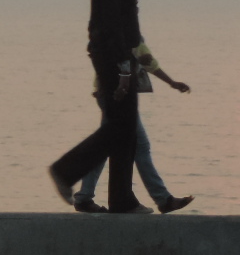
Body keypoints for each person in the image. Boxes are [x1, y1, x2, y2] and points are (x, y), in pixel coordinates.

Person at [49, 0, 149, 213]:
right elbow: (111, 30)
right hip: (115, 64)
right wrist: (124, 73)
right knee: (119, 127)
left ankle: (121, 200)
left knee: (125, 131)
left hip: (120, 61)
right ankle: (65, 170)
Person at [75, 41, 197, 214]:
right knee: (139, 146)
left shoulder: (113, 29)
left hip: (110, 93)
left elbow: (142, 60)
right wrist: (172, 82)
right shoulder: (127, 30)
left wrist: (172, 83)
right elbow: (146, 60)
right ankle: (163, 199)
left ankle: (84, 197)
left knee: (105, 146)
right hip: (119, 95)